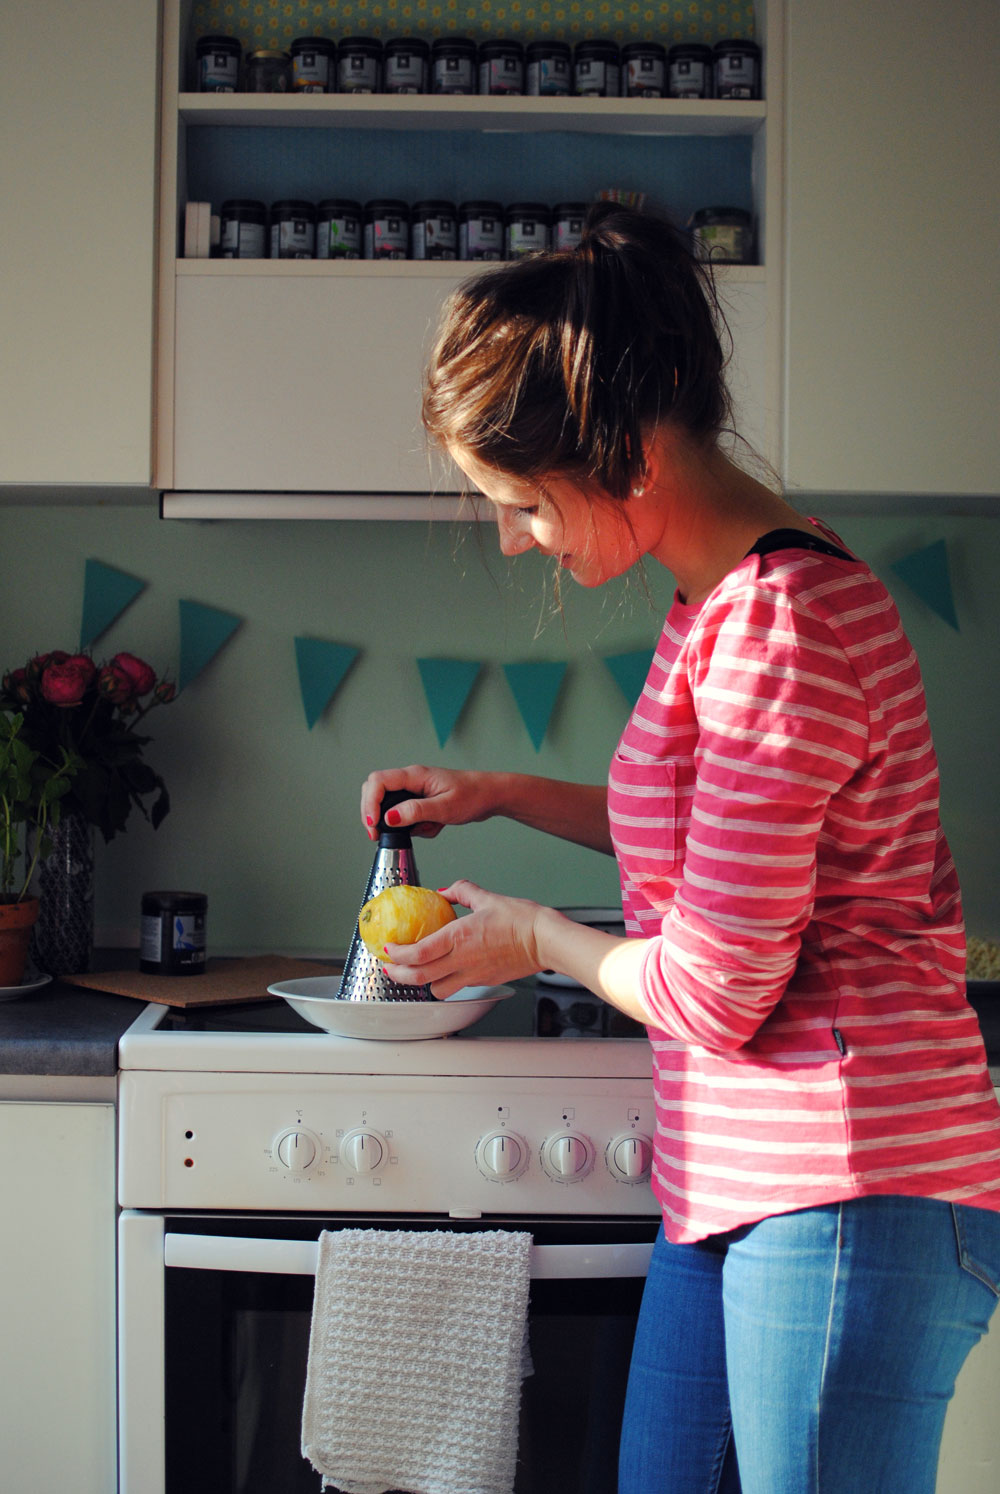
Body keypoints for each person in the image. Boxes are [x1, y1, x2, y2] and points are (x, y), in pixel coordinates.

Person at [359, 201, 1000, 1493]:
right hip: (739, 1183)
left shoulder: (786, 622)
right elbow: (731, 845)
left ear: (624, 457)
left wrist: (537, 935)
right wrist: (497, 790)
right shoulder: (717, 604)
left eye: (523, 502)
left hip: (847, 1183)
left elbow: (718, 978)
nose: (512, 533)